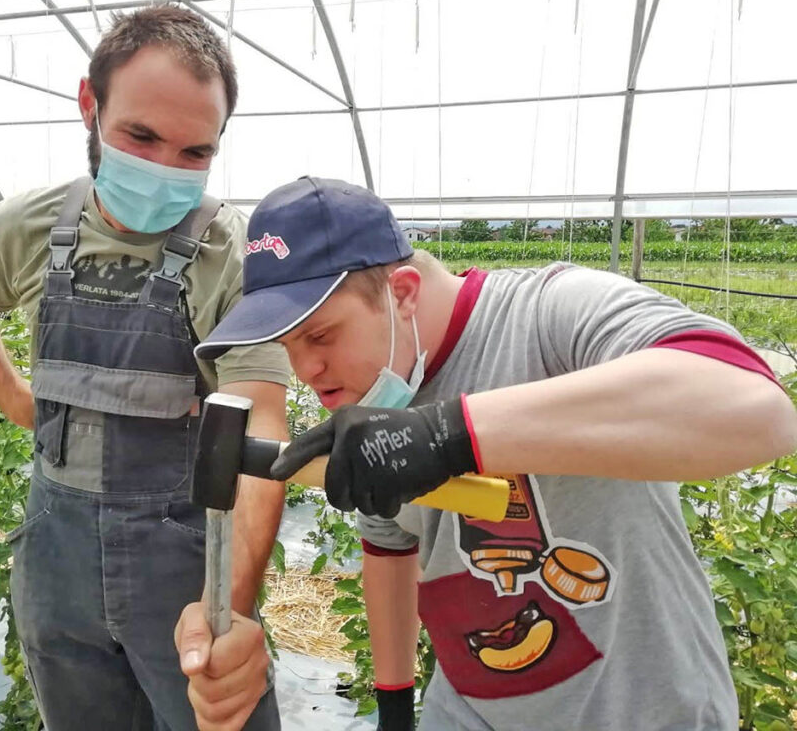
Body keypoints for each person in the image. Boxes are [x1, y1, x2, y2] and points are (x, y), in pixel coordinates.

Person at [175, 176, 797, 731]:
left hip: (644, 710)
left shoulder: (550, 314)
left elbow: (756, 407)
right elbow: (390, 549)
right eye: (288, 345)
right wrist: (395, 702)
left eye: (320, 335)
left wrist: (450, 436)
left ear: (404, 293)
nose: (307, 370)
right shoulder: (377, 405)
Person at [0, 6, 289, 731]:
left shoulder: (233, 252)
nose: (163, 169)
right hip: (55, 561)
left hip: (180, 561)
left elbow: (260, 435)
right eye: (141, 136)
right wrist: (21, 404)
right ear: (90, 105)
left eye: (195, 152)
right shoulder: (32, 227)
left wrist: (227, 610)